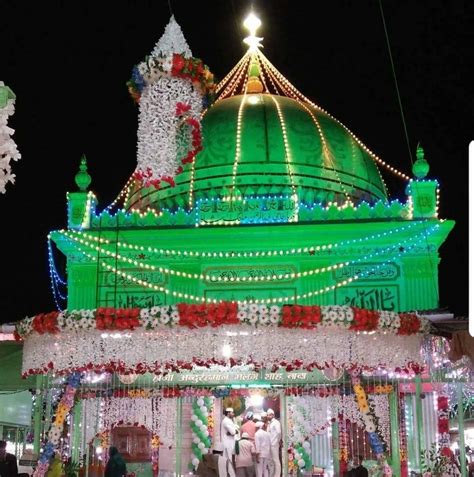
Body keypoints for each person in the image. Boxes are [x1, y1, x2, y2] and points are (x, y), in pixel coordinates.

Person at [220, 408, 238, 477]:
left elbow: (235, 431)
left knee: (229, 461)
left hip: (230, 443)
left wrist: (234, 431)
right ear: (228, 413)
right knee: (228, 461)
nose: (233, 414)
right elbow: (233, 432)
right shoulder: (226, 421)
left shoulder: (230, 420)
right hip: (227, 444)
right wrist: (234, 431)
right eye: (232, 413)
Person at [266, 410, 281, 477]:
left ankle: (277, 475)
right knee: (271, 461)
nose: (267, 416)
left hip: (274, 444)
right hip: (270, 445)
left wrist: (277, 441)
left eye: (268, 415)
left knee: (276, 460)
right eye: (267, 415)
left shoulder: (276, 422)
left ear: (272, 415)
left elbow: (279, 433)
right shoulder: (270, 423)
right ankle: (272, 475)